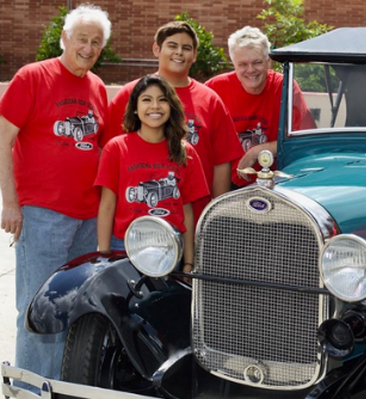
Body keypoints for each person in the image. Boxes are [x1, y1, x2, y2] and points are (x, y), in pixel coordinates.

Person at [0, 4, 111, 381]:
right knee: (37, 307)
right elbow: (3, 139)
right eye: (82, 38)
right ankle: (29, 388)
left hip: (87, 216)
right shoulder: (32, 76)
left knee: (74, 307)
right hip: (43, 213)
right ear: (65, 38)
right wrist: (10, 203)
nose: (89, 47)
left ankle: (61, 387)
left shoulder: (96, 86)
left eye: (96, 42)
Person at [103, 21, 243, 221]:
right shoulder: (130, 95)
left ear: (194, 55)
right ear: (156, 49)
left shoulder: (210, 100)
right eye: (172, 46)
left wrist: (215, 214)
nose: (179, 53)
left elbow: (221, 163)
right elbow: (110, 159)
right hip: (135, 220)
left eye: (186, 48)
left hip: (193, 217)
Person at [96, 75, 209, 271]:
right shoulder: (116, 148)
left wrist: (189, 262)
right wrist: (103, 257)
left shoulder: (186, 152)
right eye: (147, 100)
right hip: (124, 247)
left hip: (170, 248)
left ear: (171, 107)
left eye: (162, 100)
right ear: (134, 107)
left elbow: (187, 212)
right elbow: (107, 205)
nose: (155, 106)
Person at [204, 26, 315, 188]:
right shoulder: (214, 88)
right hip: (226, 184)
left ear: (268, 61)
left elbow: (305, 140)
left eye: (257, 62)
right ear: (233, 64)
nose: (250, 70)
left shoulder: (285, 87)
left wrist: (258, 151)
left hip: (276, 183)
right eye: (242, 64)